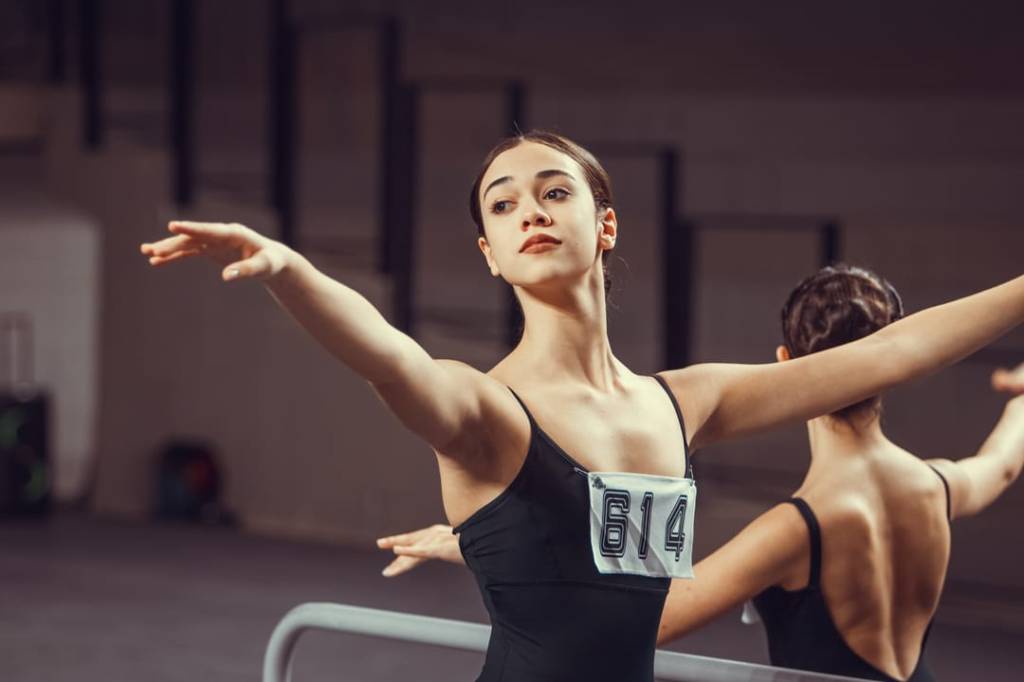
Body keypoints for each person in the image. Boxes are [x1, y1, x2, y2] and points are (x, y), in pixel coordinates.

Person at [142, 129, 1024, 681]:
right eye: (504, 202)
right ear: (488, 252)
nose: (531, 209)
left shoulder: (687, 402)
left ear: (603, 224)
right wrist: (291, 272)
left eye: (554, 190)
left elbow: (895, 351)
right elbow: (388, 357)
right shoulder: (485, 416)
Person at [378, 265, 1024, 681]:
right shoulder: (937, 485)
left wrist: (490, 547)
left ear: (785, 362)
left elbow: (637, 617)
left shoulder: (798, 527)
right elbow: (998, 466)